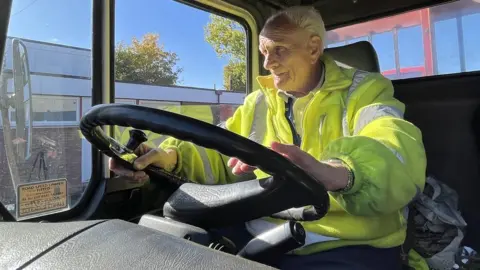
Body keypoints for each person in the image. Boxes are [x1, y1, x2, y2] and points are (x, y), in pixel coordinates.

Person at [110, 5, 427, 270]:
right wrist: (172, 157)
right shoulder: (259, 102)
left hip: (346, 240)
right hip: (260, 230)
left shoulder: (366, 92)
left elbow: (395, 145)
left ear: (314, 48)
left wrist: (343, 172)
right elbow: (219, 152)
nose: (267, 63)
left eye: (280, 50)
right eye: (264, 51)